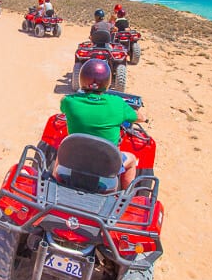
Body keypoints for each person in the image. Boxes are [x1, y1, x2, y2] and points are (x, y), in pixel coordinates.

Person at [55, 59, 148, 188]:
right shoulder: (117, 104)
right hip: (106, 168)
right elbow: (136, 116)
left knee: (63, 148)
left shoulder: (69, 102)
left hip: (75, 161)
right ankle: (127, 196)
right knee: (131, 159)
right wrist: (144, 118)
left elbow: (63, 104)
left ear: (82, 79)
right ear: (107, 82)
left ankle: (55, 180)